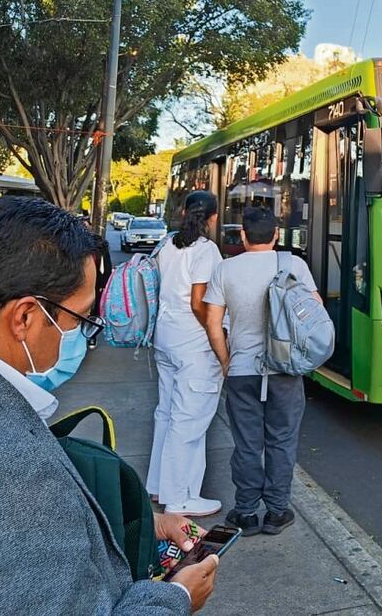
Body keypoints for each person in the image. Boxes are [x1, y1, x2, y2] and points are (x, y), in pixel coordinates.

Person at [0, 196, 218, 614]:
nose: (84, 334)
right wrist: (175, 597)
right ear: (25, 317)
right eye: (80, 318)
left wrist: (129, 528)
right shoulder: (7, 468)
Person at [204, 206, 319, 536]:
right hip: (284, 368)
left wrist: (226, 361)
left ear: (242, 235)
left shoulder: (225, 269)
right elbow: (315, 310)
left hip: (242, 370)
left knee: (247, 444)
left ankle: (245, 512)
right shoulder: (293, 264)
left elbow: (213, 324)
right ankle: (277, 512)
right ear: (277, 235)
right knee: (282, 441)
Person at [148, 190, 225, 517]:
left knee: (166, 414)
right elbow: (198, 302)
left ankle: (158, 486)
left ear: (183, 212)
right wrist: (216, 339)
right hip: (192, 344)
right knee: (188, 421)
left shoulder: (168, 244)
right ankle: (180, 499)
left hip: (164, 337)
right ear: (212, 217)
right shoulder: (206, 251)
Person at [82, 214, 112, 349]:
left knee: (94, 311)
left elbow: (106, 266)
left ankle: (91, 335)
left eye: (86, 225)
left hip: (95, 284)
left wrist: (103, 284)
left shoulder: (99, 245)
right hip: (77, 283)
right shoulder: (72, 244)